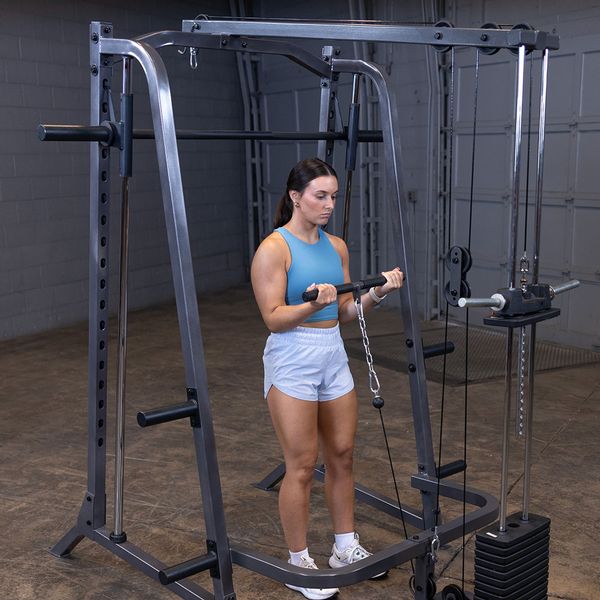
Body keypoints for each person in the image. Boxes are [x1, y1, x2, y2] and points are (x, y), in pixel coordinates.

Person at [251, 157, 404, 600]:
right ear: (295, 197)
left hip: (332, 353)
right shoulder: (274, 250)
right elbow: (273, 318)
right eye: (320, 195)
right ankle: (298, 562)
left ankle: (344, 547)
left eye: (333, 196)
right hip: (292, 356)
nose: (329, 204)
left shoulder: (336, 247)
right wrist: (312, 303)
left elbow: (345, 311)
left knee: (342, 455)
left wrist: (377, 292)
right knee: (301, 465)